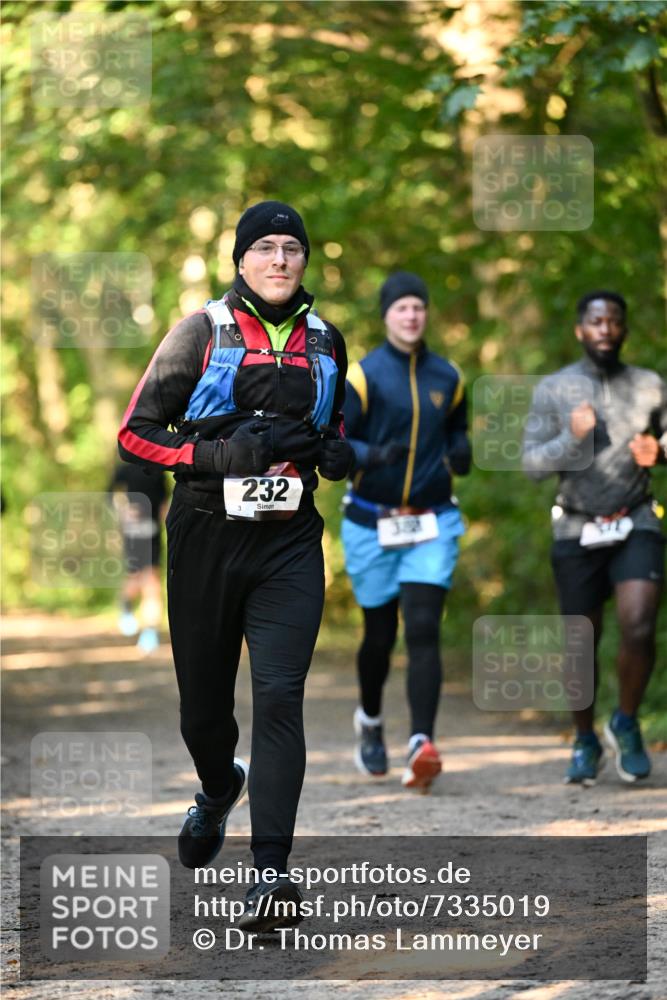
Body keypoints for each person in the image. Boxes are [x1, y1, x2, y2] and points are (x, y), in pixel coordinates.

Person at [118, 201, 352, 928]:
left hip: (287, 541)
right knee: (205, 716)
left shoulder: (325, 339)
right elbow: (136, 435)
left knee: (280, 699)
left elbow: (336, 425)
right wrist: (216, 456)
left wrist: (342, 454)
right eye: (265, 249)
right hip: (206, 537)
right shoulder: (200, 332)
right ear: (241, 261)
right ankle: (218, 788)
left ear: (304, 261)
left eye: (292, 249)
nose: (280, 260)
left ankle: (271, 877)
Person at [523, 290, 666, 786]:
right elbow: (532, 465)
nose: (605, 328)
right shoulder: (554, 389)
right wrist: (572, 437)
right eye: (596, 321)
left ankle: (625, 722)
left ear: (624, 329)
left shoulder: (649, 385)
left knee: (640, 624)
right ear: (581, 331)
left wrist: (661, 450)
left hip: (637, 518)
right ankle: (584, 738)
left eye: (614, 321)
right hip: (576, 524)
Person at [341, 272, 471, 791]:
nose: (412, 315)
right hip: (372, 521)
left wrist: (462, 451)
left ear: (427, 313)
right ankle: (370, 721)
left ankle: (422, 743)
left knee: (422, 626)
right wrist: (373, 455)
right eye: (402, 308)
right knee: (379, 633)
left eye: (419, 306)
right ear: (387, 315)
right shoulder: (363, 376)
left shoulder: (449, 375)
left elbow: (458, 431)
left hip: (432, 520)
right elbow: (336, 444)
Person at [109, 461, 168, 653]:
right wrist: (121, 512)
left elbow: (164, 501)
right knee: (135, 577)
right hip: (132, 532)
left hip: (152, 531)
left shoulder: (159, 469)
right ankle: (125, 604)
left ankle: (150, 632)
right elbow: (109, 495)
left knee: (152, 581)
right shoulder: (124, 469)